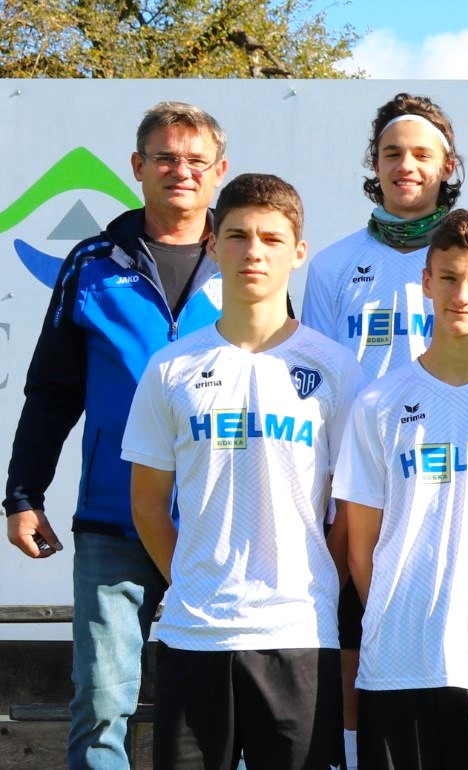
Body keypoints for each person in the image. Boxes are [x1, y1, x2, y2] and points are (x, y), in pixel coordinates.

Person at [5, 101, 228, 770]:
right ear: (137, 165)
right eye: (166, 157)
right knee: (102, 705)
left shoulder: (247, 257)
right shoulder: (92, 263)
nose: (181, 171)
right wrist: (23, 494)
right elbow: (52, 392)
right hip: (114, 520)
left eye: (196, 161)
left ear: (219, 171)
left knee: (221, 709)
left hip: (219, 524)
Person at [122, 173, 364, 769]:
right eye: (237, 236)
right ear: (212, 245)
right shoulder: (171, 367)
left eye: (272, 239)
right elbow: (148, 504)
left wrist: (315, 585)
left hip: (298, 634)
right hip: (194, 633)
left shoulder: (335, 369)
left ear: (298, 252)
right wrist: (191, 582)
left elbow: (352, 509)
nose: (254, 251)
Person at [303, 93, 468, 768]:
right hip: (359, 486)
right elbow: (319, 384)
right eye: (392, 152)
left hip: (453, 483)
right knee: (355, 651)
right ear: (374, 162)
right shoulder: (333, 265)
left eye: (422, 154)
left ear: (448, 166)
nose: (406, 166)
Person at [334, 210, 468, 769]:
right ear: (426, 282)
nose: (462, 295)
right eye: (449, 278)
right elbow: (361, 546)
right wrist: (398, 614)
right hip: (396, 661)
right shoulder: (378, 403)